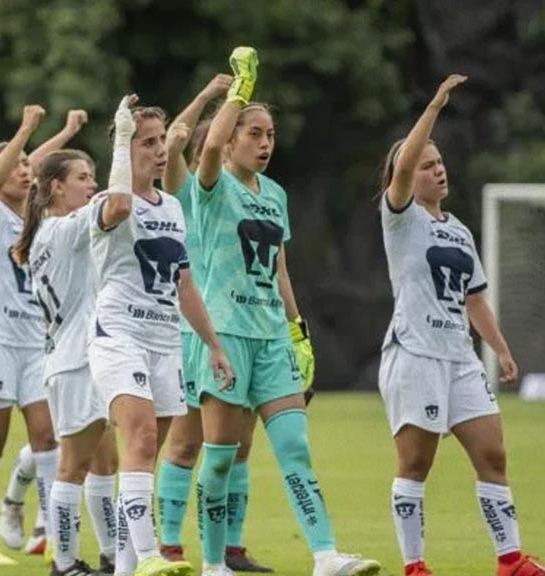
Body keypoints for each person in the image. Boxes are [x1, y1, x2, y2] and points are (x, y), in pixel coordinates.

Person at [190, 47, 378, 576]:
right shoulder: (213, 186)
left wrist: (298, 332)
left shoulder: (274, 194)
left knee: (294, 445)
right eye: (253, 132)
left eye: (269, 134)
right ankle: (212, 564)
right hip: (226, 334)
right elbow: (203, 153)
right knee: (222, 457)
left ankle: (324, 555)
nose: (264, 142)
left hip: (271, 336)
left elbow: (281, 270)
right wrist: (238, 92)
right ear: (230, 139)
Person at [378, 74, 544, 576]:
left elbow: (474, 299)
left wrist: (501, 348)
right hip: (415, 353)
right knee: (416, 464)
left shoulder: (458, 230)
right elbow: (403, 164)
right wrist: (433, 107)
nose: (437, 170)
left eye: (440, 162)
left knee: (493, 454)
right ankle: (415, 564)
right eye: (427, 165)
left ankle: (511, 559)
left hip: (459, 357)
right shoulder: (401, 217)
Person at [87, 94, 233, 576]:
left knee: (145, 456)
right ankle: (151, 555)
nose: (159, 149)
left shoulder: (172, 206)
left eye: (159, 141)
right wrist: (122, 135)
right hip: (119, 334)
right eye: (146, 142)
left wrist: (213, 344)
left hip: (165, 340)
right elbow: (122, 204)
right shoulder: (106, 203)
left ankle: (128, 569)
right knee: (142, 439)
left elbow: (184, 283)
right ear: (127, 149)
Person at [12, 147, 121, 576]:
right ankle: (64, 562)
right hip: (74, 361)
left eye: (92, 175)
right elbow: (116, 202)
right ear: (56, 187)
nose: (91, 183)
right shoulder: (60, 230)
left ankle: (111, 554)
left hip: (77, 357)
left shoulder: (48, 233)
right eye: (82, 176)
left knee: (104, 462)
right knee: (72, 466)